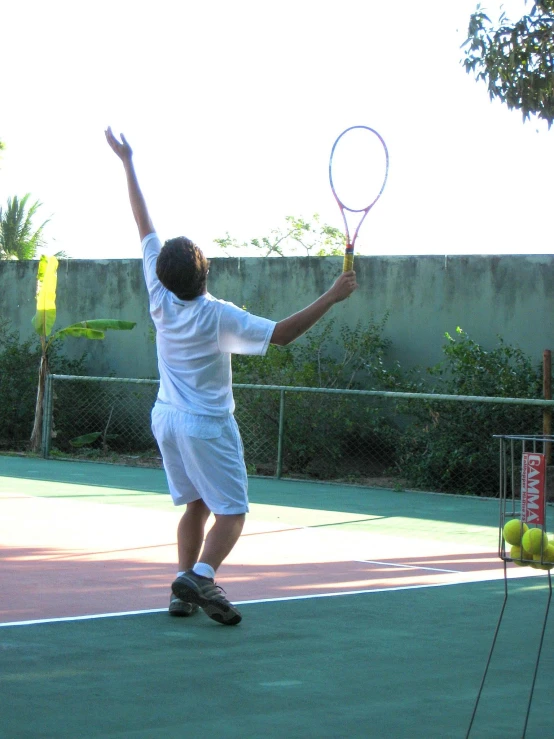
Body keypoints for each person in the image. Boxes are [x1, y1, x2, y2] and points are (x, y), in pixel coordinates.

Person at [105, 127, 358, 626]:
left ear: (165, 272)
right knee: (233, 512)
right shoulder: (218, 315)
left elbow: (141, 221)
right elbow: (281, 335)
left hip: (167, 420)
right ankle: (201, 576)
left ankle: (182, 591)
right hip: (206, 424)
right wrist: (332, 295)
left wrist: (127, 162)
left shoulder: (159, 295)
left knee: (196, 505)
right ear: (206, 271)